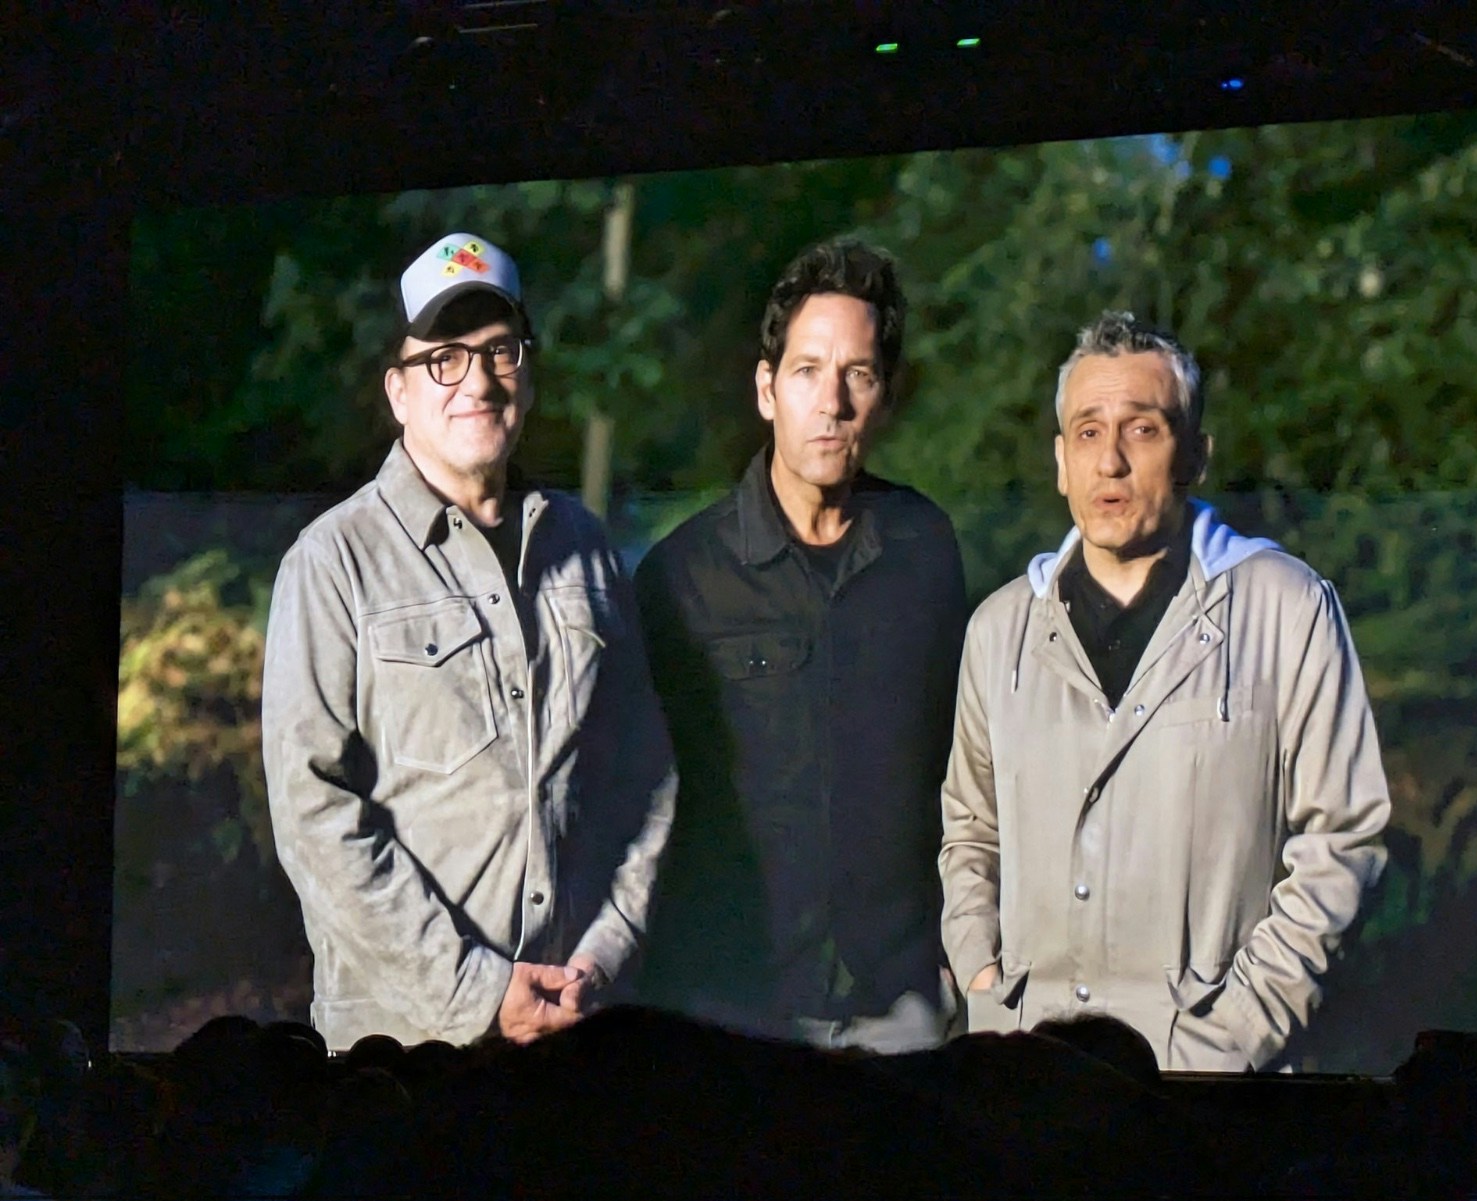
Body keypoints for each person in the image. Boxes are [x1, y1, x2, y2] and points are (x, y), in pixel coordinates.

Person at [939, 311, 1390, 1071]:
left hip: (1209, 1087)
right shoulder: (999, 631)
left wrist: (1233, 1035)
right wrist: (984, 983)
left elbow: (1344, 841)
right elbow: (970, 831)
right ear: (1061, 461)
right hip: (1028, 1073)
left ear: (1195, 455)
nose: (1110, 461)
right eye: (1088, 432)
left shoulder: (1288, 609)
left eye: (1142, 430)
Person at [262, 232, 676, 1050]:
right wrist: (477, 991)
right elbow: (314, 816)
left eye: (498, 351)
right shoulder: (332, 563)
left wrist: (603, 954)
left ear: (528, 372)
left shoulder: (587, 548)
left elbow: (647, 777)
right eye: (443, 359)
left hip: (575, 1027)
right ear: (399, 392)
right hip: (402, 1053)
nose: (478, 381)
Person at [633, 239, 967, 1052]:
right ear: (766, 389)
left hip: (899, 1000)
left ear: (885, 396)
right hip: (731, 1005)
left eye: (859, 374)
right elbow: (638, 802)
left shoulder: (925, 548)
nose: (833, 402)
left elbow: (959, 767)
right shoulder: (683, 576)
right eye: (808, 370)